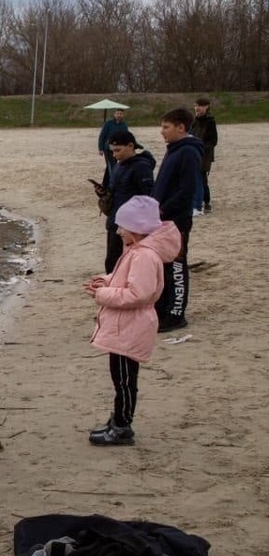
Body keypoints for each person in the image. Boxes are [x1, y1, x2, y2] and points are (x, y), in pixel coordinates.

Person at [83, 196, 182, 446]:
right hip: (124, 325)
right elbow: (127, 281)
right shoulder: (136, 251)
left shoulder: (144, 256)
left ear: (137, 229)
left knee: (125, 380)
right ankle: (117, 418)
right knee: (119, 377)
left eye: (122, 227)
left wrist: (102, 294)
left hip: (131, 325)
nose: (118, 232)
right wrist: (105, 281)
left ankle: (122, 426)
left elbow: (138, 294)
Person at [152, 108, 202, 332]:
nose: (162, 132)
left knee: (178, 266)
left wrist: (163, 210)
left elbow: (186, 190)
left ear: (181, 127)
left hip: (177, 221)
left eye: (166, 127)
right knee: (163, 266)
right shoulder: (173, 150)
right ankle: (162, 309)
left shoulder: (188, 152)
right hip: (163, 220)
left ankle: (176, 314)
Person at [100, 130, 156, 273]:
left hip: (130, 225)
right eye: (112, 151)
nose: (114, 155)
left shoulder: (141, 167)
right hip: (115, 220)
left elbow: (147, 197)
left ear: (131, 146)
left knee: (120, 262)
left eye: (118, 150)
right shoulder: (119, 165)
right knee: (112, 261)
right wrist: (104, 193)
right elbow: (115, 189)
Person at [191, 97, 218, 214]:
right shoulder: (194, 121)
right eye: (196, 105)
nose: (197, 108)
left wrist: (201, 146)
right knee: (192, 177)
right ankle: (195, 200)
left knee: (202, 178)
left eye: (200, 106)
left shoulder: (210, 121)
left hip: (204, 155)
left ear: (207, 107)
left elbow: (213, 141)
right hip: (193, 152)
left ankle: (206, 202)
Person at [97, 108, 127, 189]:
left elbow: (126, 136)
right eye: (117, 113)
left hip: (119, 149)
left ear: (123, 115)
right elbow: (102, 136)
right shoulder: (108, 124)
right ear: (114, 114)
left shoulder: (124, 125)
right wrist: (100, 148)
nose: (119, 115)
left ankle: (105, 183)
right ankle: (112, 185)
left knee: (109, 166)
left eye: (120, 114)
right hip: (108, 149)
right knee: (112, 166)